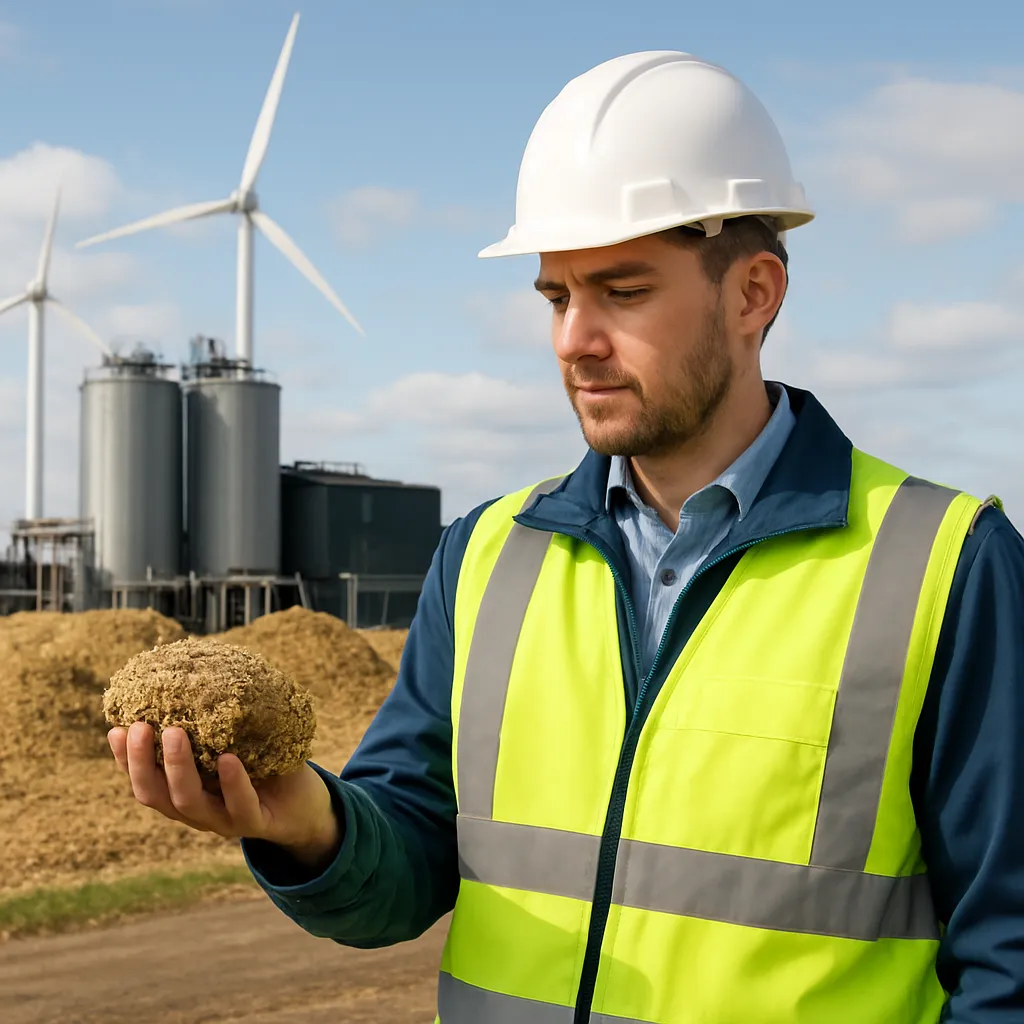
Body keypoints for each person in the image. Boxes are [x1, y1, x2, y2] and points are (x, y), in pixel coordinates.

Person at [108, 52, 1024, 1023]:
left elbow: (1006, 956)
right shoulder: (486, 556)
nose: (571, 339)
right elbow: (406, 867)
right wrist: (305, 821)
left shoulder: (944, 565)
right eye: (555, 296)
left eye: (622, 293)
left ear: (754, 294)